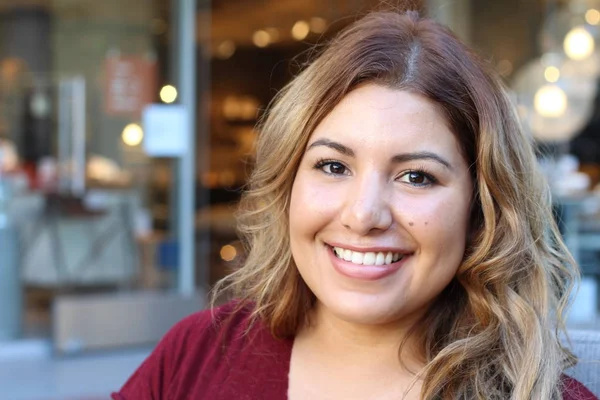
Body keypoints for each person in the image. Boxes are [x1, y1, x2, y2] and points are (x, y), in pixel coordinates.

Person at [112, 10, 598, 400]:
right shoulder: (198, 354)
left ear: (481, 213)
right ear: (288, 184)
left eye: (416, 177)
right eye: (333, 166)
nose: (363, 215)